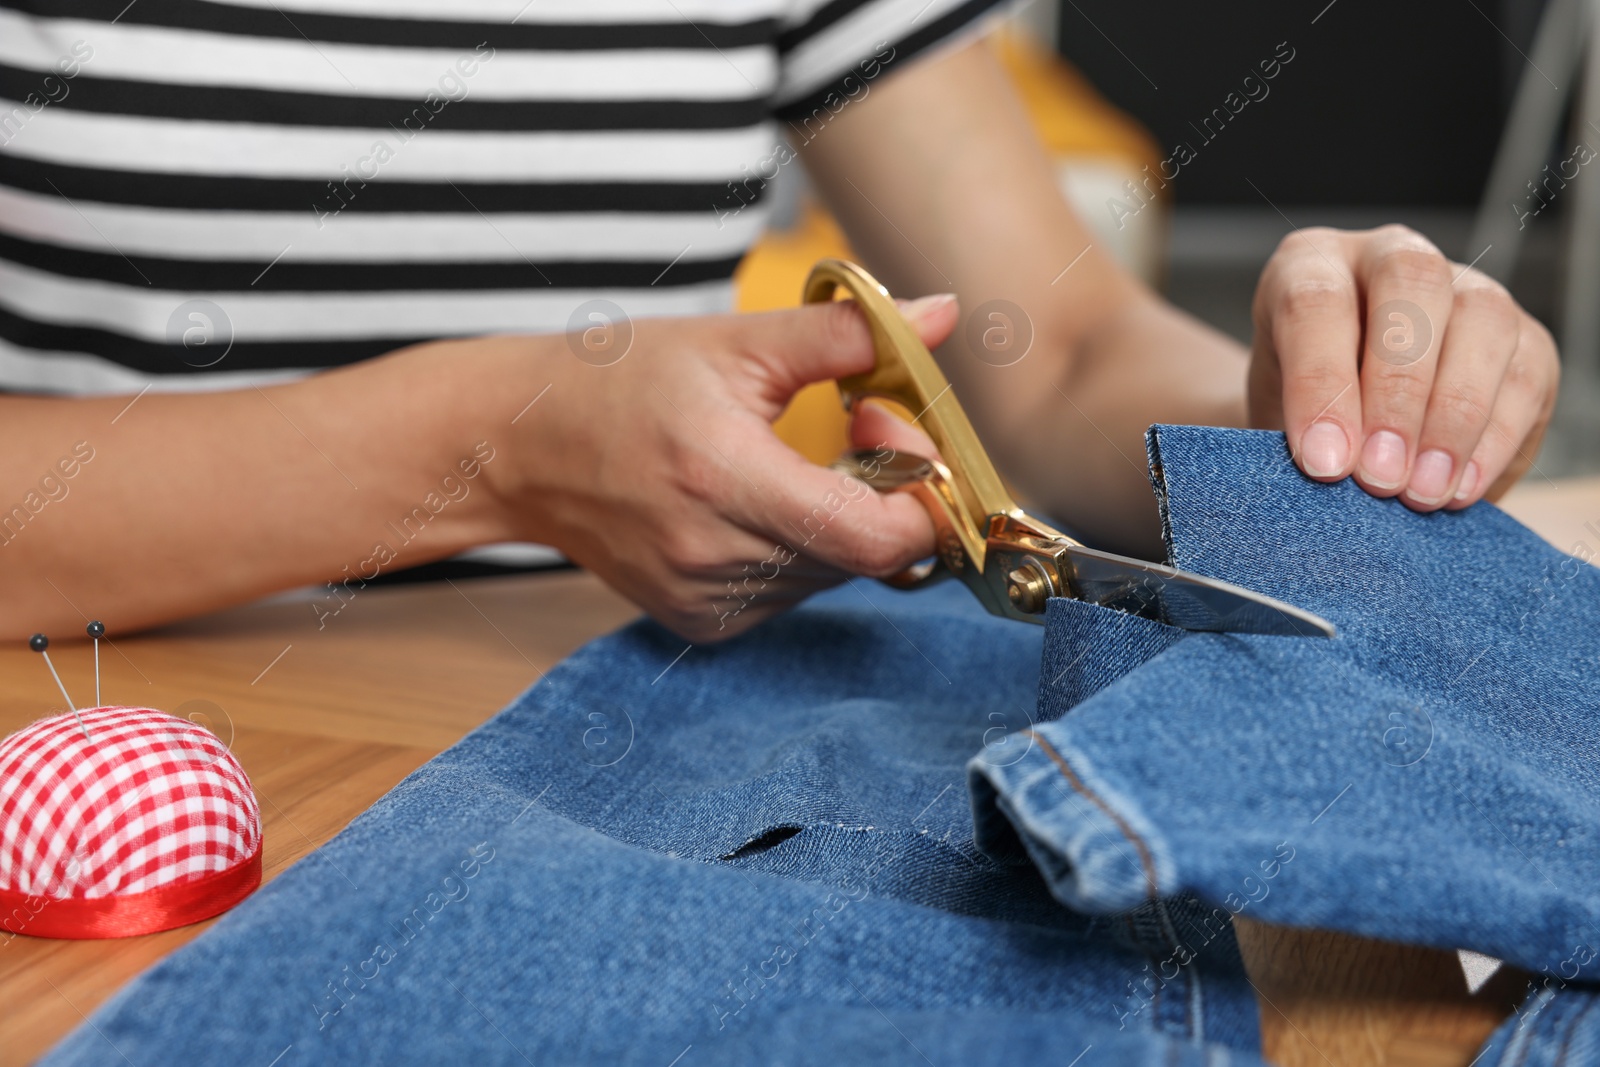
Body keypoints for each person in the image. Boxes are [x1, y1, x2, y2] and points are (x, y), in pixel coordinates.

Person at [0, 1, 1558, 643]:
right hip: (99, 752)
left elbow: (1059, 352)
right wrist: (496, 449)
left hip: (606, 721)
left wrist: (1289, 412)